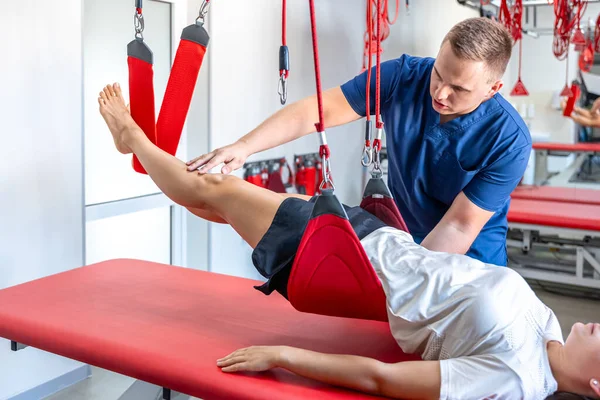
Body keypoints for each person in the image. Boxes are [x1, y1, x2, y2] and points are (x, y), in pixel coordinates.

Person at [98, 82, 598, 400]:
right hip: (379, 239)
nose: (597, 324)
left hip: (344, 264)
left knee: (212, 188)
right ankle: (146, 152)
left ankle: (133, 139)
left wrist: (283, 356)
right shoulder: (547, 326)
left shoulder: (516, 378)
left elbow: (384, 380)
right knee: (212, 203)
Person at [185, 17, 532, 267]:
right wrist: (243, 146)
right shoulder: (404, 77)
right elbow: (315, 111)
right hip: (406, 241)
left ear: (493, 89)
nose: (440, 93)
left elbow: (459, 225)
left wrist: (408, 275)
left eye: (459, 89)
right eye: (438, 74)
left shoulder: (509, 140)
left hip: (471, 262)